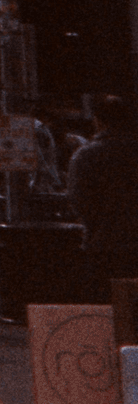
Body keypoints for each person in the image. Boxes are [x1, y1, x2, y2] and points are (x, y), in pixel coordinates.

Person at [67, 94, 138, 297]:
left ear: (98, 121)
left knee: (104, 308)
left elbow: (77, 199)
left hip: (102, 244)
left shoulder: (85, 155)